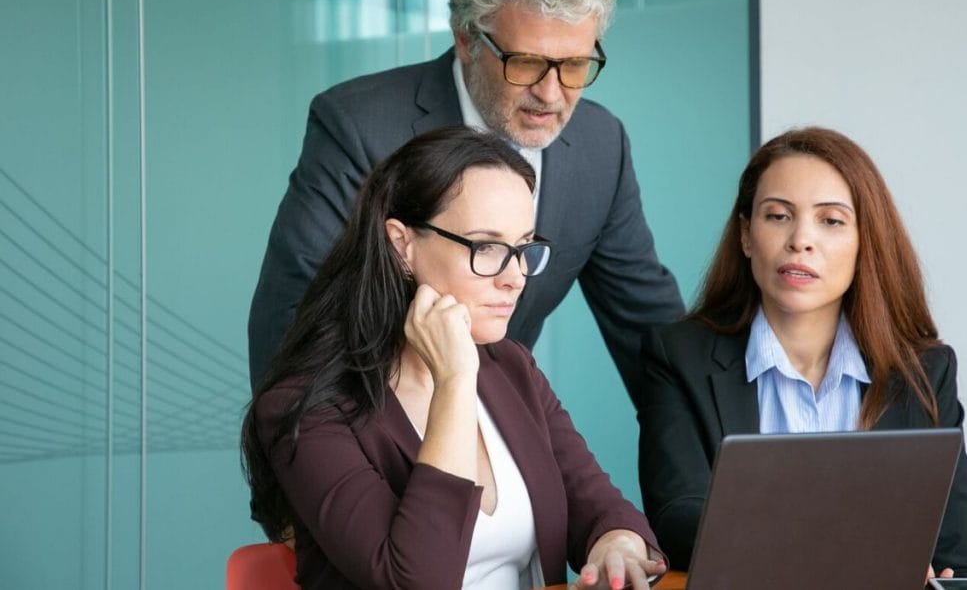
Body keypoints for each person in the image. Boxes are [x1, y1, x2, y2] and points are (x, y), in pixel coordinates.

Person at [247, 0, 684, 401]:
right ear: (466, 39)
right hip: (373, 439)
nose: (551, 93)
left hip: (506, 437)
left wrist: (720, 463)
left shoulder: (602, 145)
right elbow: (293, 327)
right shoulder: (359, 126)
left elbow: (651, 336)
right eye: (525, 63)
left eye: (575, 66)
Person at [242, 127, 667, 590]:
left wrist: (617, 543)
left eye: (524, 248)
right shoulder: (305, 407)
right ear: (401, 245)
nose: (516, 278)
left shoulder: (511, 368)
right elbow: (416, 580)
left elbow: (599, 504)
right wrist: (456, 381)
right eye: (486, 247)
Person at [637, 127, 967, 577]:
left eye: (831, 221)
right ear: (746, 235)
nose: (801, 240)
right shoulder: (678, 356)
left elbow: (958, 563)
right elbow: (679, 519)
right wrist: (856, 557)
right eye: (778, 216)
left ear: (865, 243)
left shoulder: (925, 372)